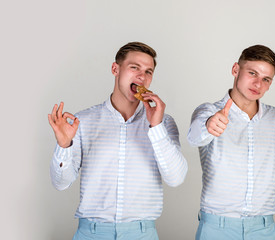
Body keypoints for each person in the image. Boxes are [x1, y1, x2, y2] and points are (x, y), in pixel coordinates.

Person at [187, 45, 275, 240]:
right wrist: (209, 125)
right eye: (252, 73)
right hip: (217, 229)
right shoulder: (209, 111)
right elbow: (194, 137)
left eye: (266, 79)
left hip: (265, 229)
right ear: (235, 70)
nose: (258, 83)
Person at [48, 42, 188, 240]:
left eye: (148, 71)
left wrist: (156, 127)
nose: (142, 76)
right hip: (91, 233)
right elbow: (60, 183)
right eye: (134, 67)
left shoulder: (164, 122)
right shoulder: (83, 121)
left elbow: (176, 178)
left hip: (142, 234)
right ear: (115, 69)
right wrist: (64, 146)